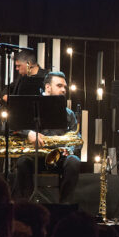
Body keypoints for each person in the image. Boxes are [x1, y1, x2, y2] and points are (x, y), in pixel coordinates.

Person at [12, 71, 81, 203]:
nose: (63, 90)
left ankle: (64, 205)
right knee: (22, 162)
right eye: (59, 86)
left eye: (64, 87)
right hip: (35, 156)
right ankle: (26, 205)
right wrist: (29, 133)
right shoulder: (31, 107)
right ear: (48, 87)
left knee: (74, 161)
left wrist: (69, 149)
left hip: (59, 158)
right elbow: (14, 126)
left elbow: (76, 138)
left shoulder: (69, 114)